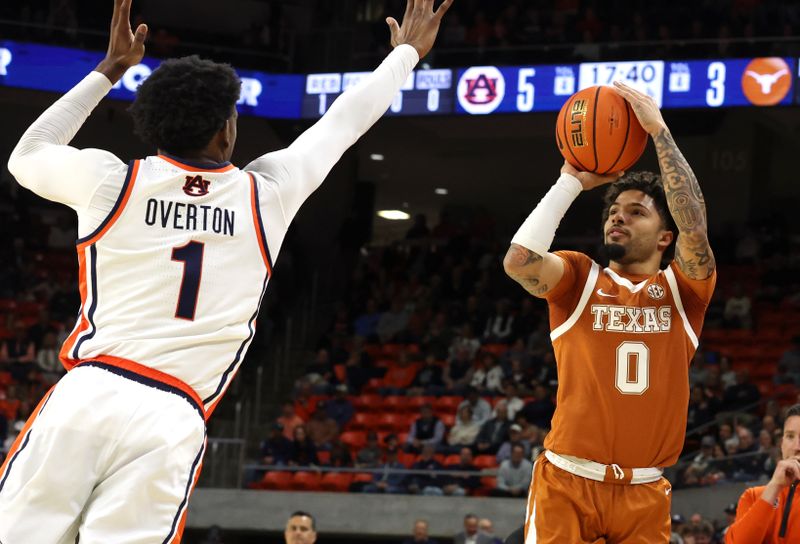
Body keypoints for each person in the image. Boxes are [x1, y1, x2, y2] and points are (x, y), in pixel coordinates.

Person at [0, 0, 454, 540]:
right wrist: (405, 55)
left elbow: (27, 154)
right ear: (225, 131)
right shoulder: (267, 195)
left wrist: (109, 70)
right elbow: (343, 122)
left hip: (88, 392)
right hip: (172, 414)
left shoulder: (109, 181)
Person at [503, 81, 716, 543]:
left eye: (636, 212)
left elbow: (694, 226)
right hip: (567, 481)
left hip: (645, 490)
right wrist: (569, 183)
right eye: (614, 210)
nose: (617, 217)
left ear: (665, 237)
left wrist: (659, 133)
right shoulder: (580, 278)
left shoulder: (685, 291)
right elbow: (518, 262)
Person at [724, 403, 800, 542]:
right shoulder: (753, 496)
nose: (796, 447)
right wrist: (775, 486)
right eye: (790, 436)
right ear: (782, 444)